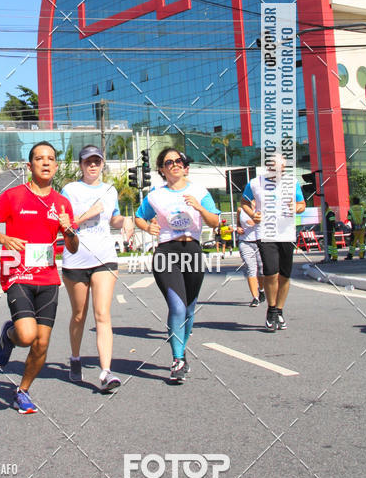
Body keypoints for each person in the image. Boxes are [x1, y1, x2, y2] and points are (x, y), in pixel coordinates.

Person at [0, 141, 78, 414]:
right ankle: (9, 335)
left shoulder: (62, 203)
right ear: (29, 165)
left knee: (42, 342)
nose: (45, 162)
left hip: (47, 277)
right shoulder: (13, 197)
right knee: (26, 335)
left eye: (50, 159)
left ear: (56, 166)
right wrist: (4, 238)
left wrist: (69, 231)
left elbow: (72, 247)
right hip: (18, 273)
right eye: (39, 158)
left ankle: (22, 391)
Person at [134, 148, 220, 383]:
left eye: (179, 160)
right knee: (178, 306)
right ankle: (178, 359)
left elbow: (215, 221)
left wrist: (200, 208)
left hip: (192, 251)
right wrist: (147, 227)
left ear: (185, 165)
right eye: (169, 162)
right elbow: (139, 216)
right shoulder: (155, 195)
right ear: (162, 169)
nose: (175, 164)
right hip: (166, 252)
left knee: (190, 308)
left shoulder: (199, 191)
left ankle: (181, 348)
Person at [60, 145, 134, 392]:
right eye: (87, 162)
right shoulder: (70, 190)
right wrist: (86, 214)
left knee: (102, 314)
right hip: (76, 258)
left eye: (97, 161)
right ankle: (75, 357)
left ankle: (105, 372)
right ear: (80, 165)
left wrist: (124, 220)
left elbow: (112, 217)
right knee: (79, 315)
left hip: (104, 258)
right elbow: (65, 225)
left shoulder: (110, 190)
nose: (92, 165)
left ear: (103, 164)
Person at [241, 155, 305, 332]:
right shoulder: (254, 183)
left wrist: (296, 208)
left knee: (285, 275)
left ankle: (280, 310)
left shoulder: (292, 183)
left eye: (282, 168)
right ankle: (271, 309)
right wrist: (253, 214)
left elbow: (302, 204)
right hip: (266, 233)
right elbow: (244, 202)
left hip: (286, 233)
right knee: (270, 272)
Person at [236, 206, 265, 306]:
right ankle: (255, 297)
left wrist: (256, 222)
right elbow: (238, 224)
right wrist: (238, 228)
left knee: (261, 270)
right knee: (251, 268)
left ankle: (261, 290)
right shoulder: (240, 209)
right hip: (245, 242)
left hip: (260, 242)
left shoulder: (262, 207)